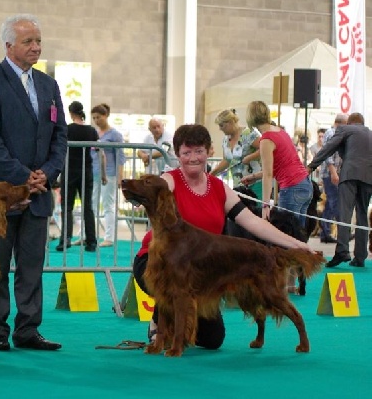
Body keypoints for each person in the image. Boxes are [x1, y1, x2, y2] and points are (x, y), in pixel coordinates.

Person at [132, 124, 312, 349]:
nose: (193, 158)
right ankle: (161, 321)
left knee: (212, 339)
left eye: (199, 151)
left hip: (200, 268)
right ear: (177, 155)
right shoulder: (169, 182)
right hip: (157, 261)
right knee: (173, 285)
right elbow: (153, 190)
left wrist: (295, 244)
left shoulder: (219, 188)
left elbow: (252, 222)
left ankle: (181, 319)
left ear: (209, 151)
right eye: (186, 152)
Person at [0, 13, 67, 351]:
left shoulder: (48, 85)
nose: (36, 47)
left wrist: (48, 172)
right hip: (0, 193)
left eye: (38, 41)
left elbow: (60, 136)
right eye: (28, 41)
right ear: (9, 45)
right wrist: (22, 177)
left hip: (39, 192)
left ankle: (28, 329)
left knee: (32, 266)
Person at [308, 113, 372, 268]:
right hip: (369, 177)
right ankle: (361, 256)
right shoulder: (370, 133)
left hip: (349, 174)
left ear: (349, 122)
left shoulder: (345, 129)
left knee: (345, 212)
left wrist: (312, 166)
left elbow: (328, 148)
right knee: (362, 214)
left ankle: (342, 251)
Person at [241, 100, 312, 226]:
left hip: (291, 187)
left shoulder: (266, 140)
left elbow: (268, 175)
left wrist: (265, 206)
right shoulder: (280, 131)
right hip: (305, 184)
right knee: (298, 234)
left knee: (285, 235)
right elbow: (278, 167)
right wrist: (253, 177)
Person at [56, 101, 99, 253]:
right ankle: (91, 241)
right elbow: (99, 149)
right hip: (86, 171)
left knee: (67, 206)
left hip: (69, 171)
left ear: (71, 113)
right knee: (88, 207)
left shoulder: (67, 130)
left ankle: (65, 239)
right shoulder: (91, 131)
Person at [90, 103, 126, 247]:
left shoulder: (115, 134)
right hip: (94, 172)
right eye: (94, 118)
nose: (96, 120)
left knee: (108, 205)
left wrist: (120, 176)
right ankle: (88, 234)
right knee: (91, 204)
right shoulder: (95, 133)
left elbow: (120, 156)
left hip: (109, 174)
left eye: (98, 117)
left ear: (105, 116)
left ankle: (109, 237)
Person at [210, 109, 262, 196]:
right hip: (238, 184)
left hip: (255, 182)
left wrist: (250, 157)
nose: (220, 128)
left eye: (221, 125)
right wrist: (212, 173)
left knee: (256, 209)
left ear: (230, 122)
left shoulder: (249, 133)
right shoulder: (225, 140)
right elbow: (226, 160)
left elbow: (264, 149)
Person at [316, 115, 347, 244]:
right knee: (335, 203)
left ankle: (325, 232)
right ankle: (342, 233)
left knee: (329, 204)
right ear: (342, 123)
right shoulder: (331, 133)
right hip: (330, 174)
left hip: (334, 174)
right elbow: (327, 154)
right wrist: (334, 173)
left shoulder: (337, 133)